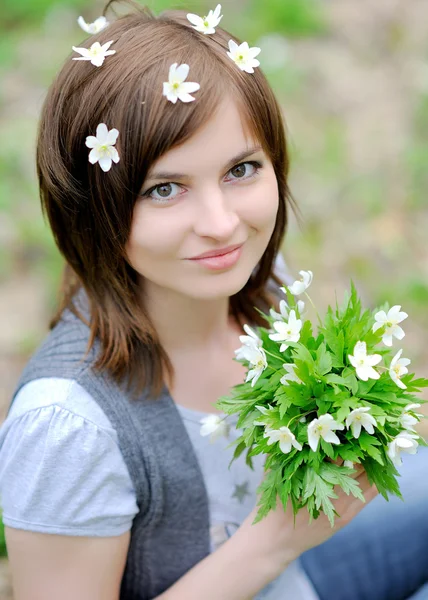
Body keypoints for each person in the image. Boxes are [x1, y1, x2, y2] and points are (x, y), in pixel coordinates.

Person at [0, 2, 427, 599]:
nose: (222, 224)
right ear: (93, 209)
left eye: (241, 169)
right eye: (165, 189)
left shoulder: (254, 282)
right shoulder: (68, 430)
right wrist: (274, 539)